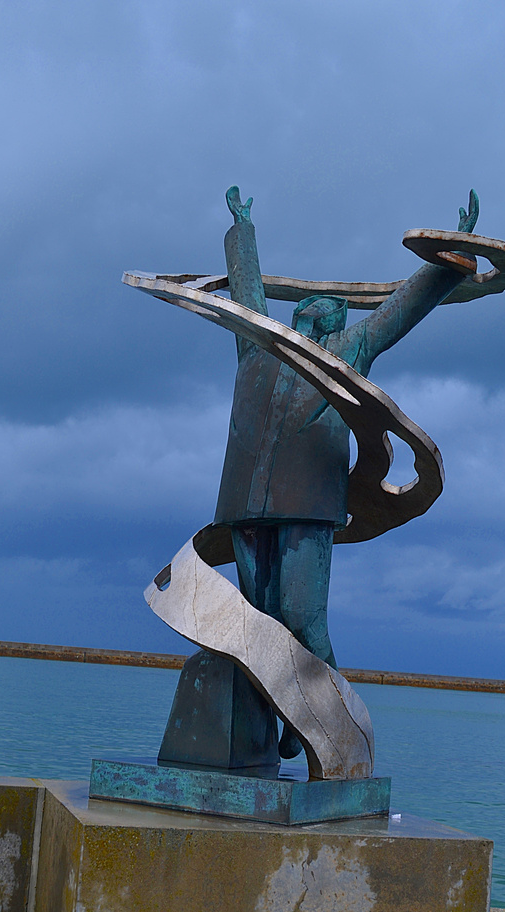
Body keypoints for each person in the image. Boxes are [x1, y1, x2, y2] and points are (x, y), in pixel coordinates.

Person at [160, 185, 478, 767]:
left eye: (325, 305)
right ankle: (272, 724)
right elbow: (247, 292)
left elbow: (394, 314)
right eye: (306, 306)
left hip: (309, 506)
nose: (312, 307)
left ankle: (329, 733)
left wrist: (448, 266)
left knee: (303, 619)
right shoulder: (256, 351)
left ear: (334, 320)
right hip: (245, 509)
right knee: (255, 629)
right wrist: (243, 229)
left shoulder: (345, 351)